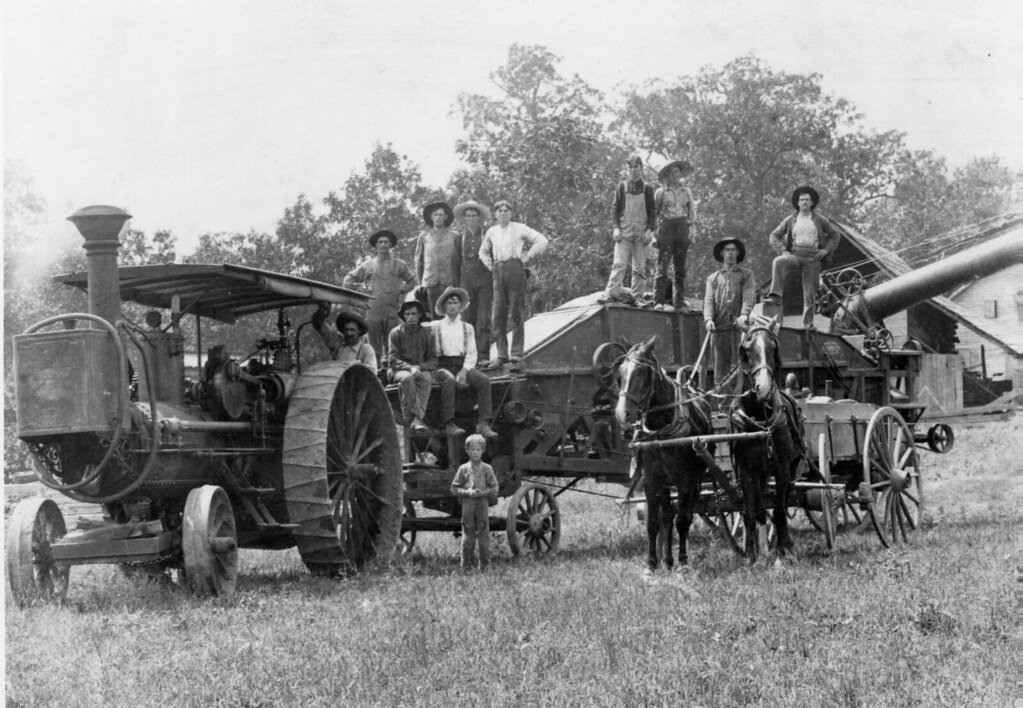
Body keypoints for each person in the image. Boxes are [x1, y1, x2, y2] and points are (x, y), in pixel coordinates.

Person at [479, 200, 549, 368]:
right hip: (498, 270)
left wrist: (528, 256)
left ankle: (516, 353)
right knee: (498, 314)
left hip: (514, 268)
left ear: (511, 213)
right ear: (495, 214)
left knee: (516, 311)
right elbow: (482, 251)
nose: (503, 213)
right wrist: (489, 265)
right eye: (499, 210)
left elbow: (542, 240)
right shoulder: (492, 231)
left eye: (506, 210)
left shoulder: (519, 227)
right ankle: (501, 355)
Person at [765, 186, 842, 329]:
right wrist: (782, 250)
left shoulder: (819, 219)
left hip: (813, 259)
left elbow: (835, 235)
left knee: (809, 294)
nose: (805, 202)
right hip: (795, 255)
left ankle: (808, 325)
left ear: (812, 203)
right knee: (778, 261)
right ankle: (775, 294)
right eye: (802, 200)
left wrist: (826, 250)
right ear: (798, 202)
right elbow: (774, 236)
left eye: (807, 200)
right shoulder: (790, 219)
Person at [431, 287, 500, 439]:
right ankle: (449, 423)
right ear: (444, 306)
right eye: (449, 303)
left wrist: (464, 372)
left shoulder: (467, 328)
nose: (453, 306)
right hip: (442, 366)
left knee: (484, 380)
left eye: (455, 302)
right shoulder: (435, 326)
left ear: (460, 305)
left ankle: (483, 423)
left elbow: (472, 353)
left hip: (461, 365)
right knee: (448, 380)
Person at [343, 229, 417, 361]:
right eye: (380, 242)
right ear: (376, 245)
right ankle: (375, 374)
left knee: (393, 347)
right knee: (373, 348)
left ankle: (392, 374)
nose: (383, 245)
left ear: (391, 244)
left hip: (392, 311)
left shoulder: (399, 264)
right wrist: (360, 290)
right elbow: (347, 281)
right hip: (373, 311)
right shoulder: (368, 265)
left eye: (386, 242)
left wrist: (402, 290)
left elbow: (412, 281)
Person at [600, 154, 656, 303]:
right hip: (624, 232)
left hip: (642, 233)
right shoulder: (622, 187)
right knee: (619, 264)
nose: (633, 170)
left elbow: (652, 212)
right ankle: (611, 294)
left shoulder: (648, 189)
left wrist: (650, 230)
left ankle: (637, 297)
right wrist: (616, 228)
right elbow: (615, 209)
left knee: (640, 267)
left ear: (641, 168)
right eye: (630, 167)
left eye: (636, 166)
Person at [703, 238, 755, 394]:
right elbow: (709, 301)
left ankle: (742, 402)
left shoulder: (746, 274)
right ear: (722, 254)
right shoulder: (713, 278)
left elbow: (749, 296)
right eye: (727, 250)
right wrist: (708, 319)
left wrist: (744, 315)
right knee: (720, 368)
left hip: (740, 328)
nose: (730, 253)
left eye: (733, 250)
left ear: (738, 253)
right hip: (719, 328)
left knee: (743, 365)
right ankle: (723, 406)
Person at [450, 433, 499, 572]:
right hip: (468, 504)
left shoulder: (487, 469)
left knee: (483, 534)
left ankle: (485, 567)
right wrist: (466, 492)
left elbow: (495, 488)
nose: (475, 452)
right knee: (467, 535)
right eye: (472, 450)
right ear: (467, 451)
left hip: (482, 503)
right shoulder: (463, 469)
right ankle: (466, 568)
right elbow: (454, 488)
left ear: (483, 450)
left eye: (478, 449)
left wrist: (482, 493)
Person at [454, 199, 494, 367]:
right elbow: (456, 263)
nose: (471, 218)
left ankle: (483, 355)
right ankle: (468, 356)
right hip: (466, 282)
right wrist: (456, 285)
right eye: (468, 216)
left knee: (484, 318)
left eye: (474, 215)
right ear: (464, 219)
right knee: (467, 319)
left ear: (479, 218)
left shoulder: (487, 235)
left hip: (485, 281)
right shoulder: (459, 239)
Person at [654, 159, 697, 312]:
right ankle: (658, 300)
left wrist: (692, 233)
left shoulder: (686, 191)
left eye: (676, 172)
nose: (674, 175)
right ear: (667, 175)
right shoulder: (661, 192)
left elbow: (691, 213)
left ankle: (678, 302)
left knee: (680, 268)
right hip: (667, 227)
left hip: (682, 227)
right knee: (662, 266)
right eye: (671, 173)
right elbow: (655, 213)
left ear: (680, 174)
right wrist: (654, 235)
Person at [387, 298, 436, 431]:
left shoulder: (427, 334)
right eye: (407, 314)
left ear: (419, 315)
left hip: (419, 369)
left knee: (426, 377)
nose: (410, 317)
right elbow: (392, 359)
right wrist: (410, 368)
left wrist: (419, 367)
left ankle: (418, 418)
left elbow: (433, 360)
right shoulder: (396, 333)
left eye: (414, 314)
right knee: (408, 378)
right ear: (403, 316)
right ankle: (408, 418)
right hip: (398, 370)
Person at [414, 201, 461, 314]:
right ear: (431, 217)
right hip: (430, 281)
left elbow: (459, 261)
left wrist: (458, 282)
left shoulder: (455, 236)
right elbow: (419, 261)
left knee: (450, 313)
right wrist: (420, 283)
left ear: (446, 217)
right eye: (435, 214)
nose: (438, 217)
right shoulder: (424, 236)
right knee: (433, 315)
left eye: (441, 214)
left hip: (449, 281)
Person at [311, 306, 378, 368]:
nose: (349, 333)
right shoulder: (338, 344)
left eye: (352, 330)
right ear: (342, 330)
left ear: (359, 331)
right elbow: (318, 325)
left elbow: (371, 373)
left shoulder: (366, 349)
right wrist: (323, 310)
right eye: (346, 329)